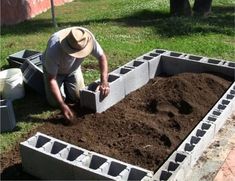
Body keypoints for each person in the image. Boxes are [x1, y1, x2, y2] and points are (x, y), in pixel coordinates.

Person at [42, 26, 110, 123]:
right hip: (54, 73)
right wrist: (62, 105)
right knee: (54, 103)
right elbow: (52, 79)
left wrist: (104, 81)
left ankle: (65, 86)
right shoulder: (54, 49)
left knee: (78, 97)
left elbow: (102, 57)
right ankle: (46, 82)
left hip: (73, 69)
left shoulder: (85, 38)